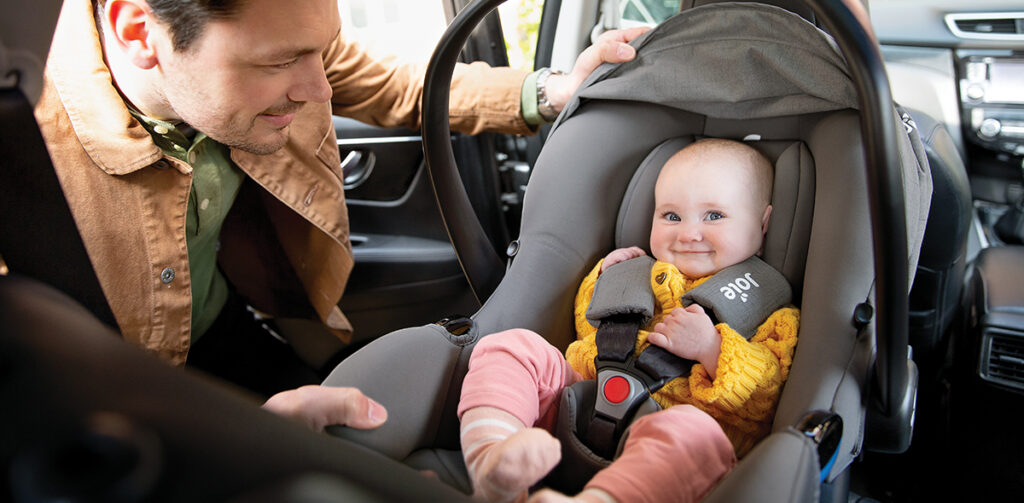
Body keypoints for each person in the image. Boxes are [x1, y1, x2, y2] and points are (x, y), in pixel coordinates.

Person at [32, 0, 646, 422]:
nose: (319, 89)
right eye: (278, 63)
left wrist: (551, 90)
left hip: (221, 321)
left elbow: (398, 85)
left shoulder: (275, 46)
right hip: (88, 386)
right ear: (140, 33)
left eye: (319, 53)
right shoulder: (26, 145)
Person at [456, 138, 801, 503]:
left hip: (673, 455)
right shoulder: (638, 274)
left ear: (762, 226)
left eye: (714, 216)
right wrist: (605, 280)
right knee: (511, 347)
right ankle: (496, 463)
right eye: (671, 216)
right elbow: (587, 332)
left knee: (694, 432)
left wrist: (713, 349)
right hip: (581, 407)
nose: (688, 233)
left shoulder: (769, 310)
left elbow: (767, 398)